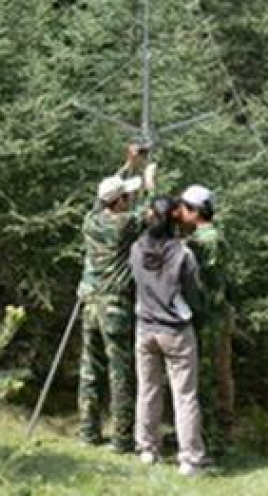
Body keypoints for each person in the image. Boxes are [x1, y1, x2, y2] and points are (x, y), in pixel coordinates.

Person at [78, 145, 155, 453]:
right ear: (120, 201)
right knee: (119, 373)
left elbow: (102, 199)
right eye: (127, 196)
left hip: (90, 306)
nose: (129, 199)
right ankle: (122, 439)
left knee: (89, 370)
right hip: (114, 308)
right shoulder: (123, 225)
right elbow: (150, 214)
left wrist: (128, 165)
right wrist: (149, 183)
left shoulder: (90, 221)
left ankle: (88, 432)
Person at [130, 195, 209, 476]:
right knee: (185, 395)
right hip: (175, 330)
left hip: (145, 328)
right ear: (175, 219)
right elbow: (194, 295)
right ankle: (189, 459)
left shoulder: (136, 248)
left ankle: (147, 449)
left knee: (147, 390)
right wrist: (199, 314)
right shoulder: (183, 254)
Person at [174, 184, 235, 454]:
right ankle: (217, 435)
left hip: (210, 319)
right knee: (217, 375)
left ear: (195, 211)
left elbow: (206, 285)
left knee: (209, 377)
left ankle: (212, 439)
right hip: (214, 317)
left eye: (183, 208)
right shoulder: (207, 236)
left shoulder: (205, 240)